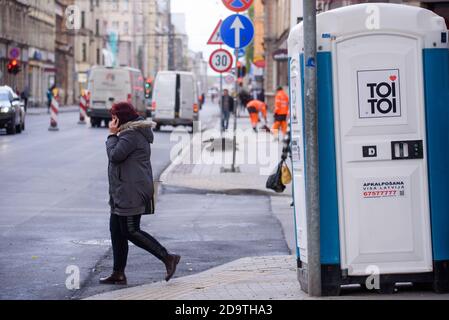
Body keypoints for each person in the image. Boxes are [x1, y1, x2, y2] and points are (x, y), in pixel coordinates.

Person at [101, 102, 181, 285]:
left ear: (120, 118)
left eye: (113, 117)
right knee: (116, 230)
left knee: (130, 230)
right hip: (123, 190)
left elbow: (115, 156)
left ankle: (168, 257)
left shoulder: (130, 135)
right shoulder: (130, 133)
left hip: (131, 191)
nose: (111, 121)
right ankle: (118, 273)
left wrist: (111, 135)